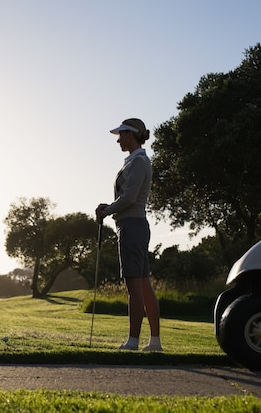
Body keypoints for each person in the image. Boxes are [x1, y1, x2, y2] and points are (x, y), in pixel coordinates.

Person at [95, 118, 162, 352]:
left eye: (121, 134)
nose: (118, 139)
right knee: (143, 284)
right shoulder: (135, 161)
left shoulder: (139, 162)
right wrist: (110, 207)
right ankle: (154, 342)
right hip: (134, 225)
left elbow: (130, 198)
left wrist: (106, 211)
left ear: (131, 135)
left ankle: (133, 341)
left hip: (132, 226)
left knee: (135, 285)